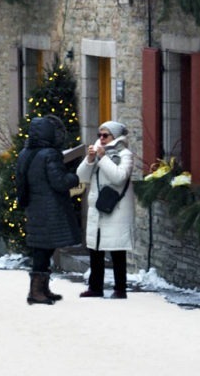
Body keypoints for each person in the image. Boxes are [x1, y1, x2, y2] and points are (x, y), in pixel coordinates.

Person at [15, 114, 81, 305]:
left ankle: (42, 288)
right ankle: (36, 291)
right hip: (50, 208)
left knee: (42, 248)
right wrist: (76, 177)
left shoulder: (25, 153)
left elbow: (21, 181)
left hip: (35, 207)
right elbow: (60, 182)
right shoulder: (50, 154)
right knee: (44, 249)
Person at [76, 119, 134, 299]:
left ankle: (120, 288)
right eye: (99, 135)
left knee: (117, 250)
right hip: (97, 207)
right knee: (95, 249)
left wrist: (102, 158)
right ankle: (95, 287)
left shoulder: (125, 154)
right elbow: (81, 176)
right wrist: (90, 160)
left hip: (116, 209)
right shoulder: (97, 152)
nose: (101, 139)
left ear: (115, 136)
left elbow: (119, 177)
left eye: (105, 135)